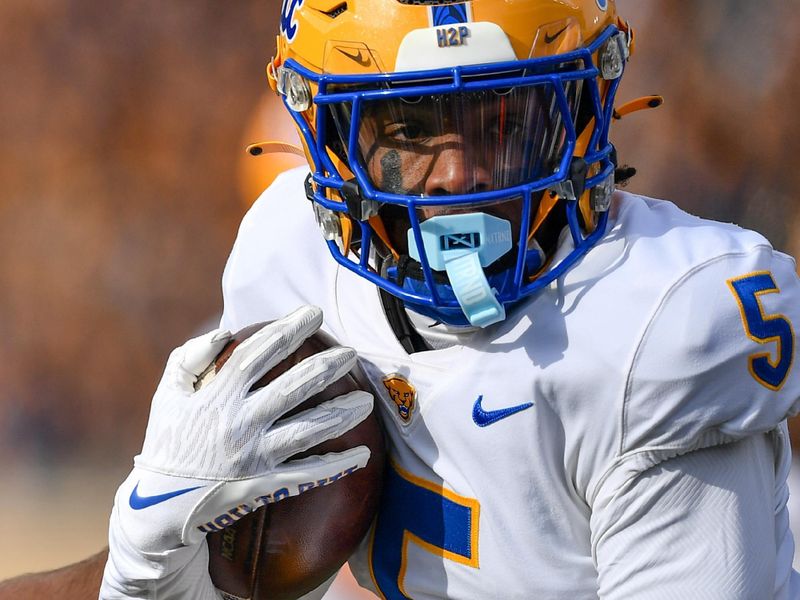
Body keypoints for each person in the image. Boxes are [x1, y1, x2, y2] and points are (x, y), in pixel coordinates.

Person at [3, 0, 799, 598]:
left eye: (502, 119)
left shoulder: (660, 325)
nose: (459, 175)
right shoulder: (289, 258)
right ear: (330, 139)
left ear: (581, 116)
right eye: (411, 127)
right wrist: (148, 564)